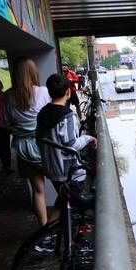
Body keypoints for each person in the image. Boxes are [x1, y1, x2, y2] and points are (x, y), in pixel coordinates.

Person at [36, 74, 97, 222]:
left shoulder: (42, 112)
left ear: (49, 92)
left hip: (51, 169)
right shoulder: (67, 115)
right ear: (68, 92)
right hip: (68, 171)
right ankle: (65, 239)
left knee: (63, 201)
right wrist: (89, 138)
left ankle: (48, 238)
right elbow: (72, 144)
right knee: (77, 206)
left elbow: (38, 140)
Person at [4, 57, 50, 226]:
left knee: (38, 191)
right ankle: (65, 228)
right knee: (63, 187)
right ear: (33, 72)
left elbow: (7, 123)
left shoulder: (8, 96)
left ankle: (44, 232)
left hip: (23, 149)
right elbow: (51, 118)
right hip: (45, 147)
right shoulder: (44, 92)